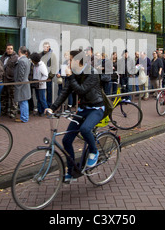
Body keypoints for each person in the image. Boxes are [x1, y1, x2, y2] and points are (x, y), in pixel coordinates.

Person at [46, 49, 104, 182]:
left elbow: (81, 89)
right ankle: (72, 171)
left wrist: (70, 76)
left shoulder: (92, 73)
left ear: (77, 61)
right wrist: (52, 108)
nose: (68, 62)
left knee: (85, 129)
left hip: (96, 108)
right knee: (66, 140)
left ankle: (94, 152)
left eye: (70, 60)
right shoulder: (75, 73)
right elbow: (66, 92)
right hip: (83, 109)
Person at [1, 43, 19, 118]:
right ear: (6, 49)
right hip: (4, 79)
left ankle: (13, 112)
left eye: (11, 49)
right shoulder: (3, 57)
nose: (9, 50)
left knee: (13, 97)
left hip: (12, 80)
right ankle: (4, 111)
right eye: (8, 49)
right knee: (4, 96)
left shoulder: (16, 57)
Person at [14, 46, 32, 122]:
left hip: (21, 84)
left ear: (19, 51)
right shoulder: (27, 60)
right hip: (25, 82)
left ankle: (24, 118)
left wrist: (18, 83)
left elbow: (21, 74)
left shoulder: (21, 61)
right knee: (24, 100)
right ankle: (24, 117)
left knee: (23, 100)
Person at [41, 42, 58, 107]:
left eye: (47, 46)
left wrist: (50, 76)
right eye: (44, 46)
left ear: (49, 47)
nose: (45, 48)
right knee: (41, 93)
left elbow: (54, 66)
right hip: (41, 77)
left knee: (49, 92)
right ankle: (43, 106)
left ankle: (49, 105)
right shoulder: (40, 55)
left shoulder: (52, 55)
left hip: (48, 77)